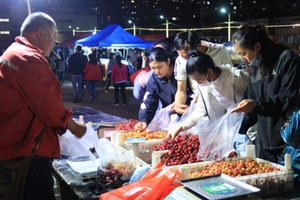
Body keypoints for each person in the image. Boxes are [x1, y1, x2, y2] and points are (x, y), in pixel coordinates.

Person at [0, 12, 86, 200]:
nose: (54, 42)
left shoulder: (14, 52)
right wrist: (74, 127)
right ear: (40, 33)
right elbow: (48, 106)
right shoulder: (28, 57)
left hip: (15, 143)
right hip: (25, 150)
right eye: (53, 35)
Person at [230, 24, 300, 163]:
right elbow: (251, 102)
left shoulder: (287, 59)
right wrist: (234, 131)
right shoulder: (255, 67)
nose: (242, 58)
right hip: (265, 145)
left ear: (257, 46)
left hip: (289, 144)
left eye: (243, 53)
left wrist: (255, 105)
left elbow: (287, 98)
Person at [168, 51, 249, 140]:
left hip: (248, 124)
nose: (198, 83)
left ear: (209, 72)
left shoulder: (235, 77)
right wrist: (181, 127)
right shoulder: (205, 85)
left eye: (199, 79)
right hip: (230, 126)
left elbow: (253, 100)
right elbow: (201, 109)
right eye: (194, 80)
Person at [173, 31, 233, 115]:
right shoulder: (180, 60)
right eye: (182, 56)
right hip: (199, 102)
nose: (187, 60)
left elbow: (229, 78)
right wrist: (178, 105)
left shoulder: (220, 50)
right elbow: (181, 90)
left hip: (221, 100)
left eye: (189, 56)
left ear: (199, 45)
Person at [134, 47, 193, 131]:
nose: (157, 71)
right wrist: (144, 120)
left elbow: (194, 92)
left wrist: (183, 103)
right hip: (171, 119)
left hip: (189, 115)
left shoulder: (182, 71)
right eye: (153, 68)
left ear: (168, 61)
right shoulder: (154, 79)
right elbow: (149, 99)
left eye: (159, 67)